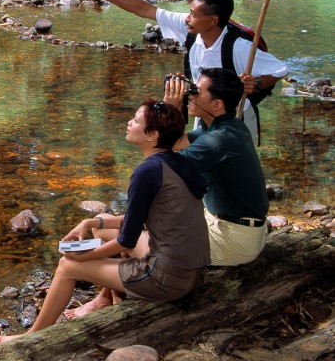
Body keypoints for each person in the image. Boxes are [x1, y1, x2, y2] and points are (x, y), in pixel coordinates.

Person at [0, 99, 209, 342]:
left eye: (136, 121)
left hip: (166, 280)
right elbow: (141, 218)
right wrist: (92, 223)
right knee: (104, 220)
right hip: (191, 272)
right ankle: (109, 298)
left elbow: (127, 240)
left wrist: (82, 258)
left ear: (152, 135)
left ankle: (30, 337)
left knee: (67, 266)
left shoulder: (147, 172)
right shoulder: (176, 162)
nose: (129, 123)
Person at [64, 67, 269, 319]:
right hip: (229, 225)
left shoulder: (219, 140)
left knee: (119, 234)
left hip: (234, 238)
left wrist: (168, 112)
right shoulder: (222, 127)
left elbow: (164, 166)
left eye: (196, 91)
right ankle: (105, 298)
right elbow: (175, 142)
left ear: (216, 104)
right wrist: (170, 114)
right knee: (110, 228)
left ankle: (115, 301)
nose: (189, 93)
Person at [69, 0, 286, 143]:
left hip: (237, 120)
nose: (187, 18)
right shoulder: (191, 29)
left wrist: (257, 83)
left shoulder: (238, 47)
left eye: (193, 13)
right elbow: (145, 9)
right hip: (204, 114)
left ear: (212, 21)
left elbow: (280, 70)